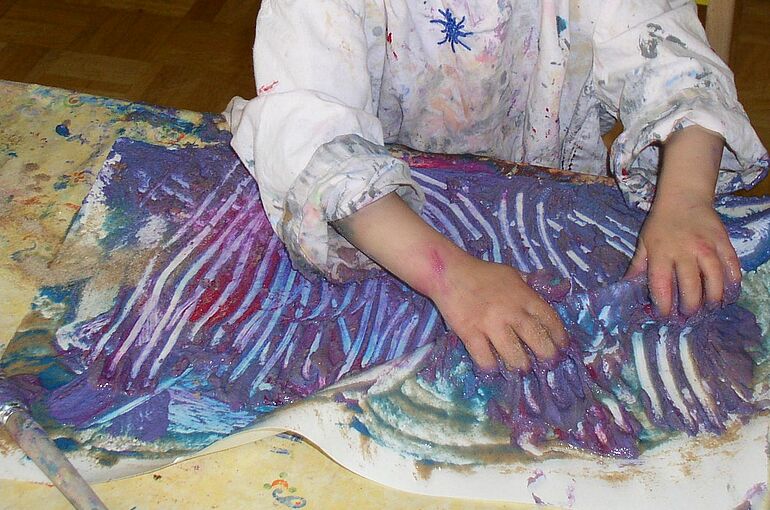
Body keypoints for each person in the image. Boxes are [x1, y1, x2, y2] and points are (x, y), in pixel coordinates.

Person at [224, 0, 768, 373]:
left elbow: (680, 71)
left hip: (542, 190)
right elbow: (310, 143)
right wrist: (448, 276)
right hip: (383, 221)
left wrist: (684, 202)